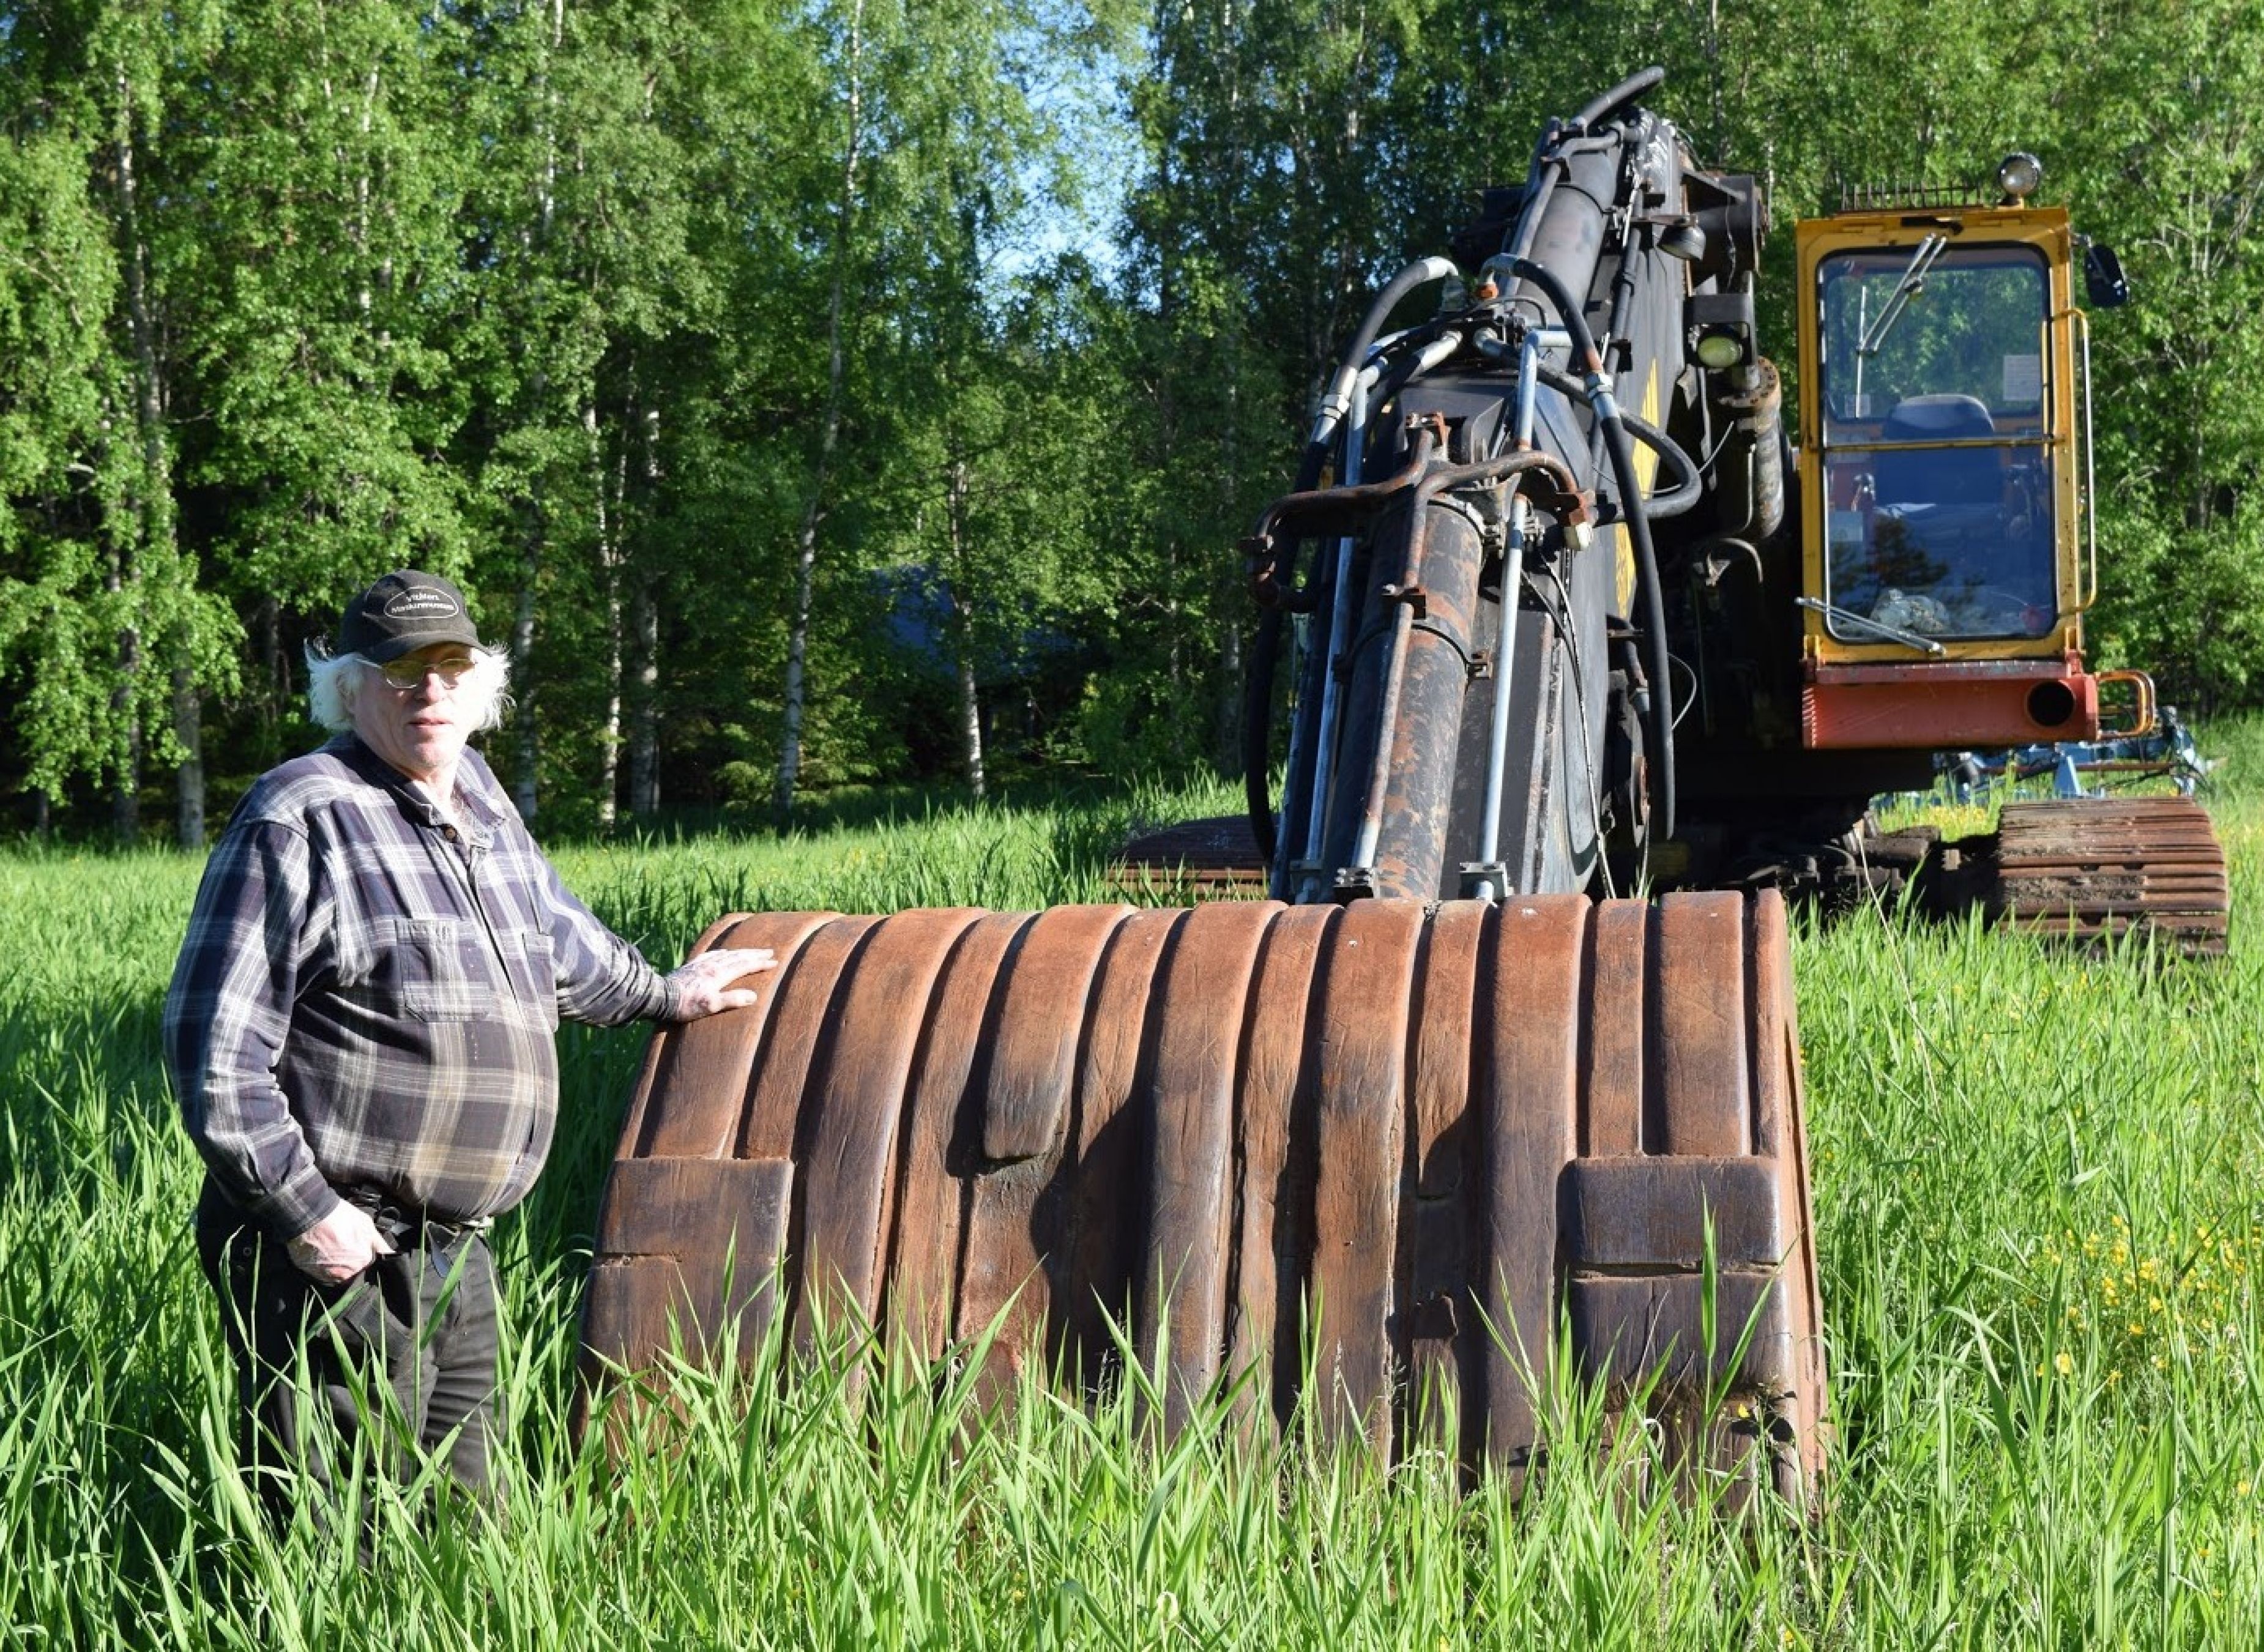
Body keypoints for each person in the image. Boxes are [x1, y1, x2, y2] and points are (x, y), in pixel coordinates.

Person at [163, 568, 775, 1517]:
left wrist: (666, 993)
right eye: (400, 667)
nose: (430, 689)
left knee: (465, 1528)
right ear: (349, 687)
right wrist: (306, 1213)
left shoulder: (480, 801)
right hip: (338, 1249)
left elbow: (559, 945)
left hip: (455, 1252)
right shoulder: (299, 816)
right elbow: (214, 1052)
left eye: (450, 664)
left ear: (481, 681)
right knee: (341, 1537)